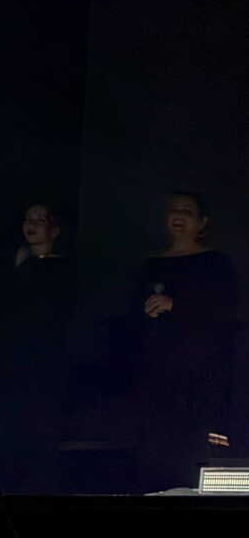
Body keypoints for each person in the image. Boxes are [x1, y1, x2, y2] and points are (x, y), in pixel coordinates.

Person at [132, 192, 239, 492]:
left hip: (199, 374)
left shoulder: (216, 263)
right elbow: (131, 317)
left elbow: (225, 310)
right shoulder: (149, 266)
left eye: (187, 211)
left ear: (202, 222)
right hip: (156, 374)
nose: (178, 215)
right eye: (173, 210)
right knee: (153, 450)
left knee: (190, 450)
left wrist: (175, 305)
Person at [0, 203, 77, 493]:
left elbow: (53, 321)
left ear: (55, 228)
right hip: (11, 375)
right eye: (28, 219)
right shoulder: (14, 270)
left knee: (38, 450)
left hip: (43, 375)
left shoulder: (64, 271)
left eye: (40, 219)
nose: (32, 225)